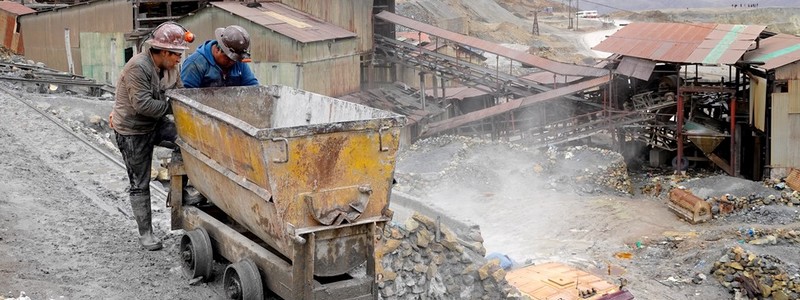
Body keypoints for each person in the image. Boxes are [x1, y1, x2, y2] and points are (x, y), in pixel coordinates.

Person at [110, 22, 192, 251]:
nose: (179, 59)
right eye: (176, 54)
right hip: (132, 130)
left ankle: (180, 190)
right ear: (164, 52)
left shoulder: (171, 68)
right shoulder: (138, 67)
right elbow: (143, 105)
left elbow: (180, 93)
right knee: (140, 182)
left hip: (155, 123)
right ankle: (146, 233)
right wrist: (173, 107)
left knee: (189, 141)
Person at [181, 25, 258, 88]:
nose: (232, 62)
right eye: (229, 58)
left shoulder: (238, 62)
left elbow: (253, 88)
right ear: (218, 49)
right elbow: (186, 96)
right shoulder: (195, 64)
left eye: (235, 59)